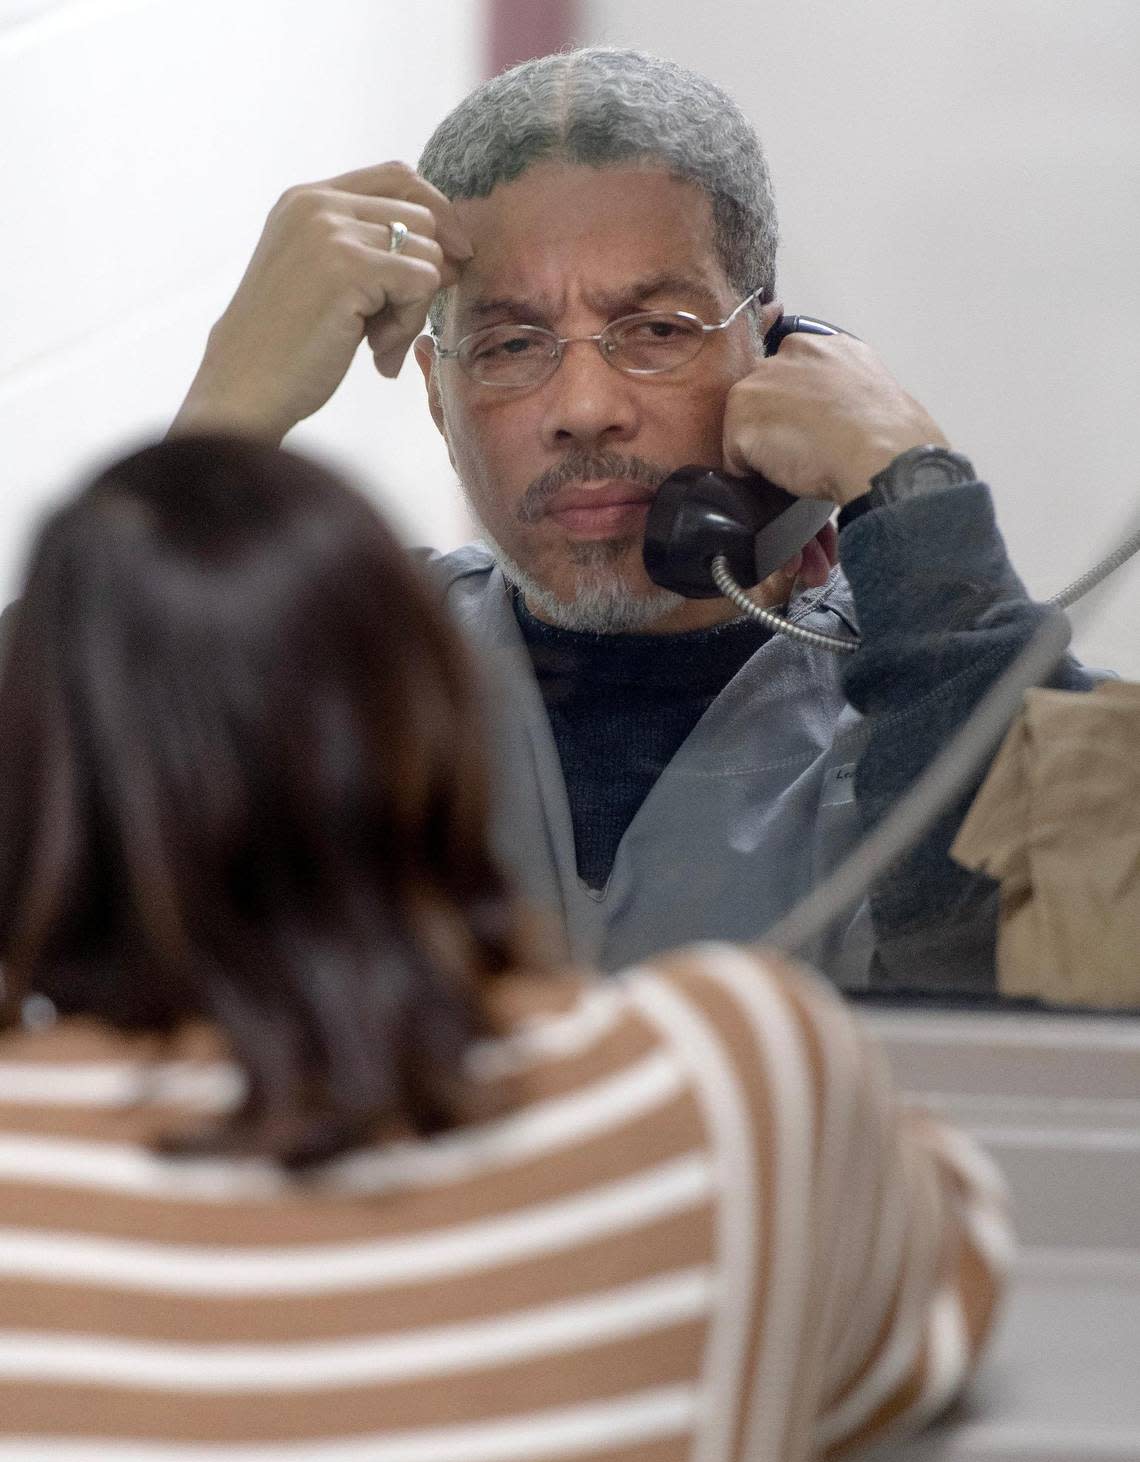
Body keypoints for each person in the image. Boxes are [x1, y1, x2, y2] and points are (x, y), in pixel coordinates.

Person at [0, 434, 1009, 1462]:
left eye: (655, 330)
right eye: (514, 341)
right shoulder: (733, 1083)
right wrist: (904, 473)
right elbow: (947, 1277)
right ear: (439, 725)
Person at [171, 47, 1094, 989]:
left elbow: (1065, 1019)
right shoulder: (338, 679)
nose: (583, 404)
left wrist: (914, 505)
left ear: (774, 358)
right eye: (511, 343)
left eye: (656, 331)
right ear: (440, 402)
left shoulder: (934, 679)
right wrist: (219, 430)